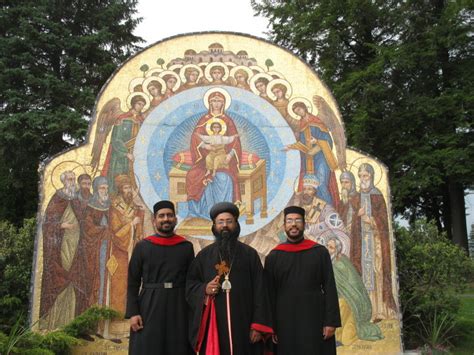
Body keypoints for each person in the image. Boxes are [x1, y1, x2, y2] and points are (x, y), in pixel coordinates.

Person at [186, 202, 273, 355]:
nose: (224, 225)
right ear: (214, 226)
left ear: (236, 224)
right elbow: (190, 286)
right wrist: (204, 289)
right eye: (220, 222)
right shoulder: (203, 256)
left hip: (245, 324)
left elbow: (261, 291)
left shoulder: (249, 255)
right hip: (215, 326)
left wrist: (258, 325)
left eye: (229, 221)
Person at [265, 206, 341, 355]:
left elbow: (330, 287)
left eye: (298, 220)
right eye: (290, 221)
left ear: (304, 224)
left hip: (314, 318)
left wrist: (330, 322)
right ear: (284, 226)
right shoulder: (273, 257)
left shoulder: (320, 252)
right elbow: (269, 294)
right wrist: (271, 327)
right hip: (284, 321)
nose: (294, 224)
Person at [126, 200, 194, 355]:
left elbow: (192, 281)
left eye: (170, 215)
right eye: (161, 216)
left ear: (175, 219)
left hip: (179, 306)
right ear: (154, 220)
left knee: (178, 347)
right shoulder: (142, 247)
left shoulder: (186, 247)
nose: (166, 219)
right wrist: (133, 312)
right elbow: (133, 282)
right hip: (149, 305)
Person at [185, 91, 242, 219]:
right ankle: (195, 212)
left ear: (223, 103)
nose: (216, 104)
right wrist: (205, 146)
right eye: (214, 101)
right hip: (204, 159)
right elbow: (196, 136)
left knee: (223, 178)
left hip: (224, 159)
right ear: (209, 103)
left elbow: (235, 141)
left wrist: (230, 155)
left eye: (219, 101)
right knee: (192, 175)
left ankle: (223, 213)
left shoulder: (227, 120)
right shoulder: (204, 120)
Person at [352, 163, 397, 321]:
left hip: (376, 243)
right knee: (364, 276)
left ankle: (380, 311)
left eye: (366, 176)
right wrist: (357, 215)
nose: (363, 179)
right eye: (361, 176)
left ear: (371, 177)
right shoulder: (356, 197)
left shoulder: (377, 195)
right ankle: (367, 312)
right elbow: (351, 224)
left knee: (377, 274)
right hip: (362, 245)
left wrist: (371, 219)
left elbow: (384, 222)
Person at [40, 170, 84, 329]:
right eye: (70, 179)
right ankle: (54, 323)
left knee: (73, 277)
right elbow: (47, 225)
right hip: (60, 246)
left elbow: (83, 220)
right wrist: (61, 225)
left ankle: (70, 321)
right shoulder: (57, 199)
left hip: (76, 244)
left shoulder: (77, 200)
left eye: (74, 179)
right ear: (63, 181)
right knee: (62, 276)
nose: (72, 182)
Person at [326, 237, 383, 345]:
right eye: (327, 246)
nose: (328, 249)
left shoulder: (341, 263)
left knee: (341, 306)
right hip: (339, 296)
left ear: (337, 250)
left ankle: (336, 337)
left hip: (350, 298)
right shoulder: (330, 262)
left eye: (331, 247)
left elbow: (351, 284)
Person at [284, 101, 340, 208]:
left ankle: (329, 209)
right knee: (311, 186)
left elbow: (328, 139)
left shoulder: (316, 121)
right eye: (296, 112)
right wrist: (291, 147)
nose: (299, 113)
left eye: (299, 109)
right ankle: (316, 210)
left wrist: (317, 141)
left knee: (321, 183)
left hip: (321, 157)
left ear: (304, 108)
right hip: (309, 158)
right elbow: (302, 144)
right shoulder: (302, 125)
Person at [108, 175, 144, 314]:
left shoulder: (133, 206)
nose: (128, 190)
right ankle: (118, 318)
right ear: (120, 189)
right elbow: (115, 231)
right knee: (120, 283)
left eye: (130, 187)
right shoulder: (115, 207)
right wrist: (131, 225)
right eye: (125, 187)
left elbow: (139, 228)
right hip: (120, 251)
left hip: (133, 248)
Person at [81, 176, 111, 309]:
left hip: (108, 246)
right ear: (96, 189)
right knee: (97, 275)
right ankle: (96, 305)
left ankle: (105, 303)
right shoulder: (90, 206)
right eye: (102, 188)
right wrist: (102, 230)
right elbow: (87, 228)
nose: (105, 191)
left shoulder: (109, 204)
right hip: (95, 248)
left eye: (106, 188)